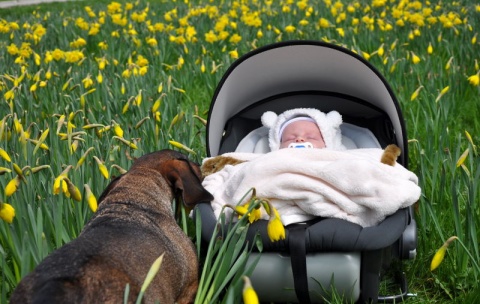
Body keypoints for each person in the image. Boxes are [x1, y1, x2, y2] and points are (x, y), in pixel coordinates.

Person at [261, 108, 347, 151]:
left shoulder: (335, 159)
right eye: (289, 139)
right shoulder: (271, 161)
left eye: (310, 137)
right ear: (278, 145)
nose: (299, 139)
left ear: (327, 142)